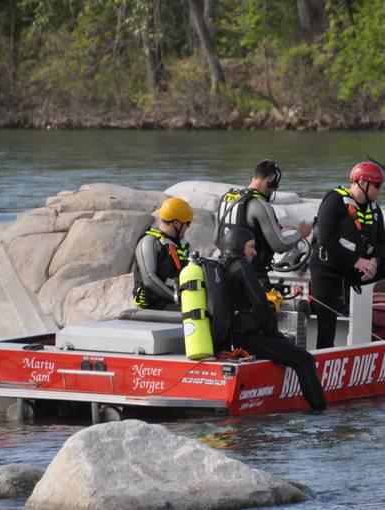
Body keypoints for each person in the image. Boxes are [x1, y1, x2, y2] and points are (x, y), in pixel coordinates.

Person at [309, 162, 385, 349]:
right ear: (362, 183)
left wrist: (374, 261)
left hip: (353, 269)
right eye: (377, 186)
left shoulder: (374, 210)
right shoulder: (334, 201)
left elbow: (381, 242)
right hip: (327, 270)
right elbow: (326, 240)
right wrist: (358, 260)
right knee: (327, 324)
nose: (380, 190)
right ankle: (322, 367)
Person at [220, 227, 326, 412]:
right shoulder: (242, 266)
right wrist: (272, 333)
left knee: (286, 347)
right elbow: (260, 303)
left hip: (228, 339)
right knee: (305, 360)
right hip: (246, 340)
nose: (254, 252)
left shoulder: (222, 265)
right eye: (251, 247)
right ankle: (320, 413)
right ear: (239, 247)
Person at [216, 159, 312, 289]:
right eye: (275, 186)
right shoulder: (259, 204)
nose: (273, 191)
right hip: (252, 277)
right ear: (270, 180)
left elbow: (217, 240)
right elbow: (280, 245)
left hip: (225, 274)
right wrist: (301, 233)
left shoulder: (227, 198)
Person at [132, 197, 193, 310]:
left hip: (177, 300)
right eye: (187, 223)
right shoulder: (149, 241)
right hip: (155, 304)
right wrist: (177, 298)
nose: (188, 227)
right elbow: (149, 279)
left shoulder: (181, 243)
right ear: (176, 223)